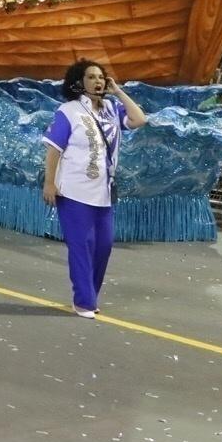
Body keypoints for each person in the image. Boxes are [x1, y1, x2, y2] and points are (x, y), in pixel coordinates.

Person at [41, 60, 146, 319]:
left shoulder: (111, 109)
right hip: (73, 191)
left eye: (101, 77)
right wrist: (49, 183)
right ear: (79, 82)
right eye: (91, 77)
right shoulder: (69, 111)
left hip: (104, 192)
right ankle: (83, 301)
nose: (98, 81)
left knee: (103, 246)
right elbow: (54, 150)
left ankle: (91, 295)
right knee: (81, 245)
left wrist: (118, 91)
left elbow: (139, 119)